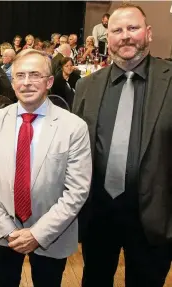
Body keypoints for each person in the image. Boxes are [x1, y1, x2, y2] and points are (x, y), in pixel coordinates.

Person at [73, 4, 172, 287]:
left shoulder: (170, 80)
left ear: (148, 33)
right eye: (117, 30)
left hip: (153, 216)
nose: (125, 36)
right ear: (108, 37)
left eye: (133, 28)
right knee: (94, 280)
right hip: (99, 214)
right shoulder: (87, 86)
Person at [0, 49, 92, 287]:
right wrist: (7, 229)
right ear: (12, 80)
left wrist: (37, 234)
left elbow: (77, 191)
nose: (26, 82)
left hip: (52, 235)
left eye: (35, 75)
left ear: (49, 81)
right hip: (4, 232)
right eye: (20, 75)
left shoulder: (74, 127)